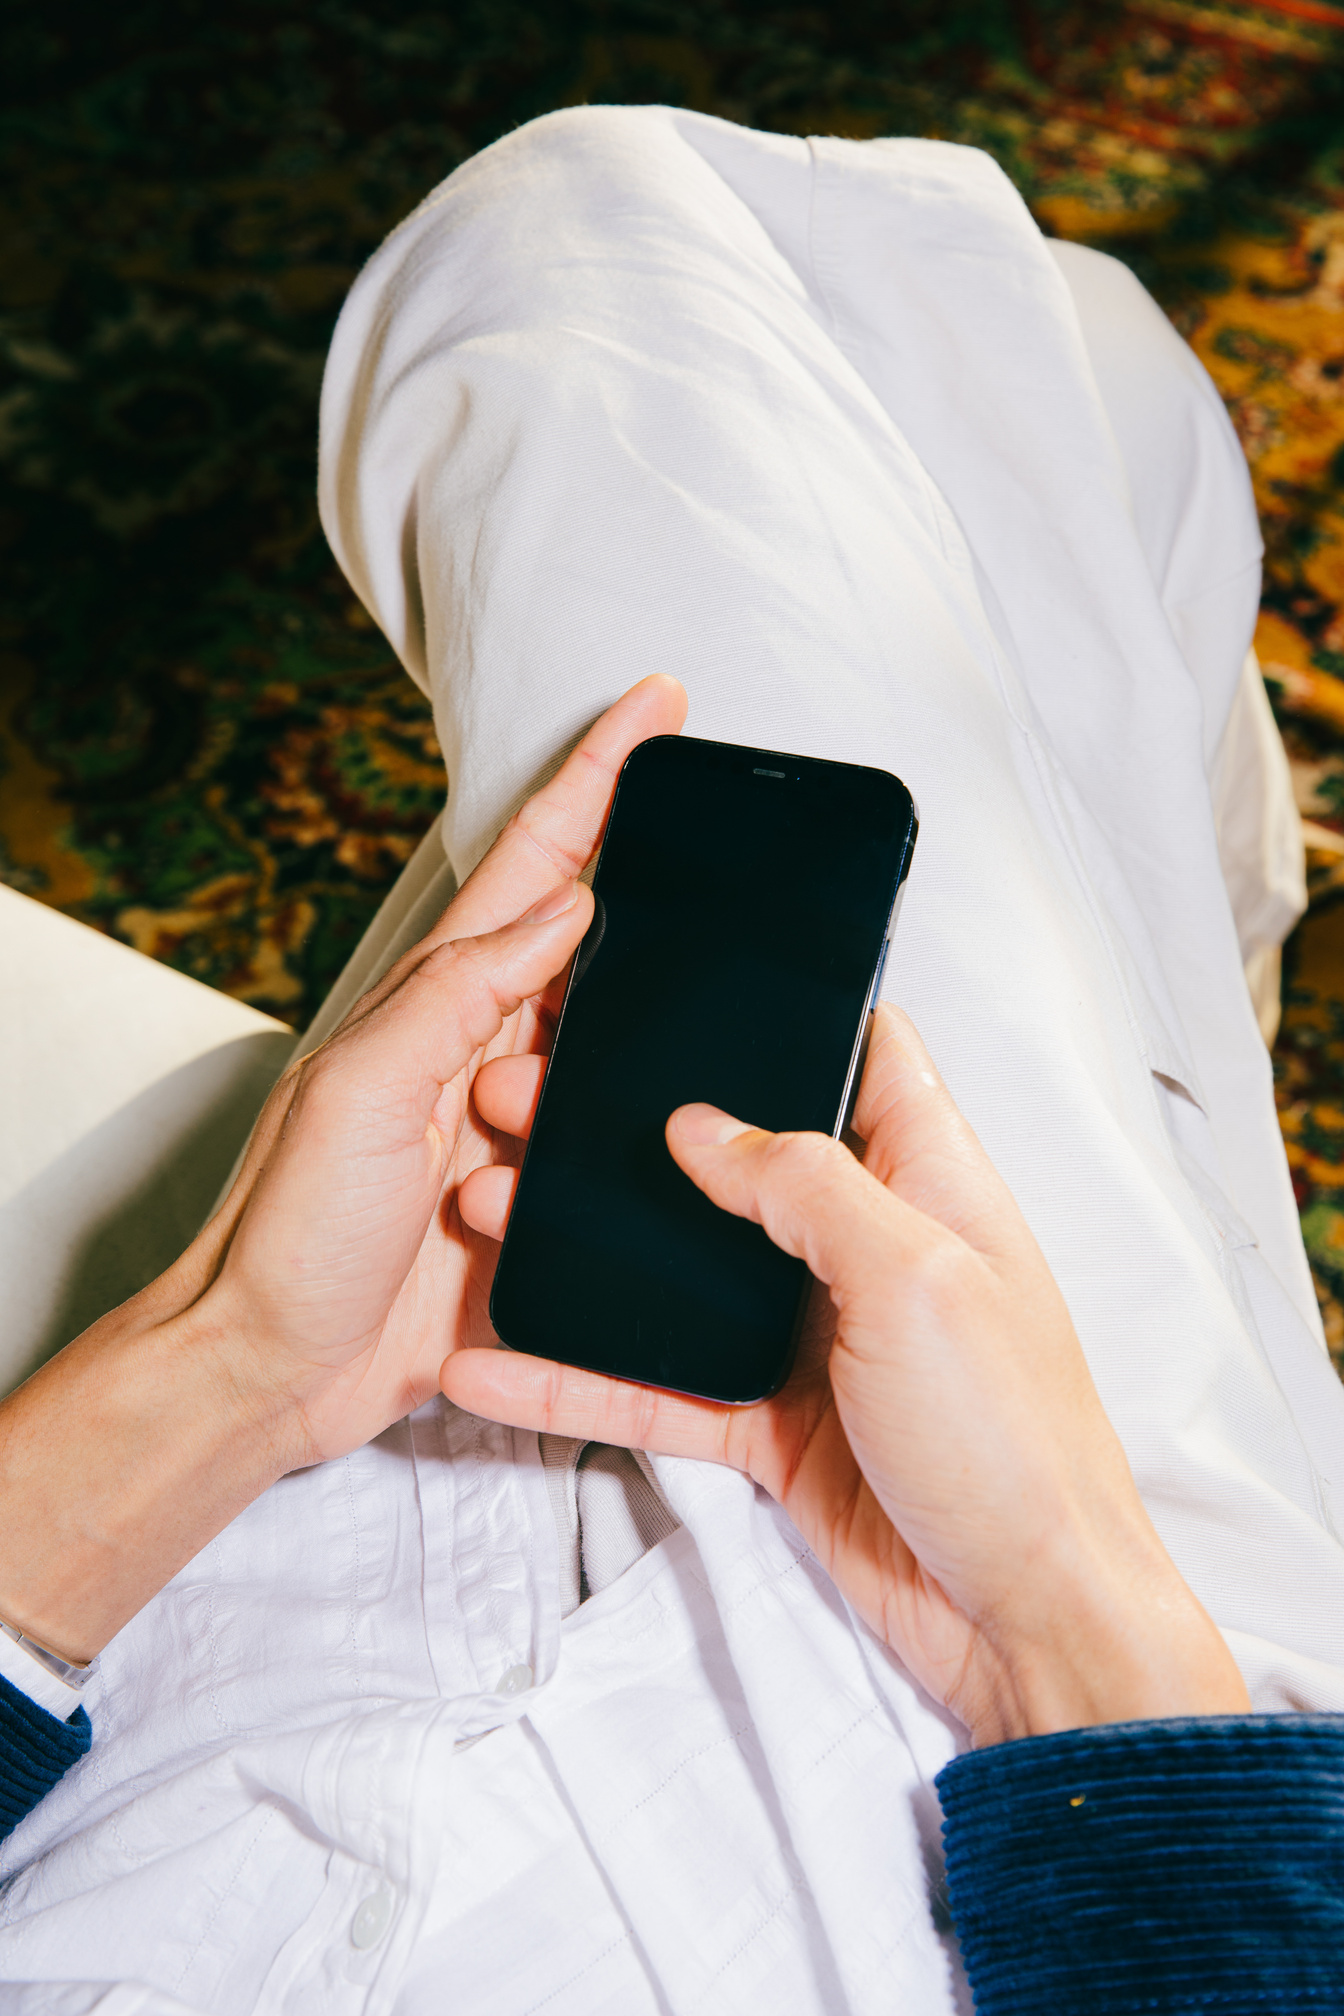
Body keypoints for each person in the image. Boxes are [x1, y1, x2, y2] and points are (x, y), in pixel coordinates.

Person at [1, 103, 1343, 2013]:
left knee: (1043, 387)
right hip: (1070, 1787)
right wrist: (1066, 1594)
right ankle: (1210, 995)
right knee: (581, 256)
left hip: (224, 1644)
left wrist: (228, 1361)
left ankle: (1204, 995)